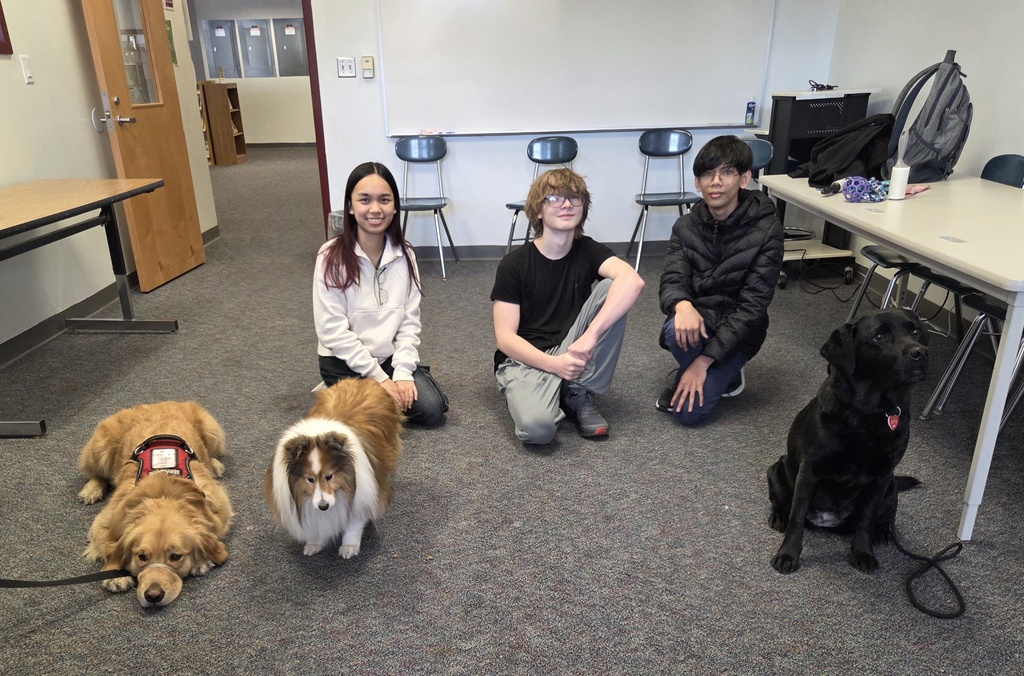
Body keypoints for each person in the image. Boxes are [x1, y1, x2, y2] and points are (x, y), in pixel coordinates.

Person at [491, 168, 645, 445]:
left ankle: (576, 388)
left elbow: (633, 281)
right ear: (538, 211)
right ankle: (557, 384)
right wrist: (555, 365)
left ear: (583, 209)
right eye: (554, 198)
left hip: (572, 345)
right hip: (526, 358)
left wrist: (590, 337)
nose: (566, 205)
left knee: (616, 286)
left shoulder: (588, 250)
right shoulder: (513, 264)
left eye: (575, 199)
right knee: (538, 431)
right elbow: (505, 338)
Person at [657, 135, 784, 425]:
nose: (716, 181)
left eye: (727, 172)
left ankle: (714, 369)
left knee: (687, 415)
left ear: (745, 178)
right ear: (697, 183)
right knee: (673, 329)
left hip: (741, 330)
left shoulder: (767, 230)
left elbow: (753, 306)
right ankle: (716, 371)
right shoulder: (685, 226)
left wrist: (701, 363)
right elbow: (673, 277)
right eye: (707, 174)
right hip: (701, 318)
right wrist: (683, 306)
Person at [313, 161, 448, 426]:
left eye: (384, 200)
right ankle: (346, 394)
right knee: (358, 421)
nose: (375, 209)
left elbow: (410, 322)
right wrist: (380, 379)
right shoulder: (330, 256)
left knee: (433, 410)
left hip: (388, 358)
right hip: (345, 363)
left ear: (394, 206)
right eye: (365, 200)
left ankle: (370, 397)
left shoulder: (405, 254)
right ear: (351, 207)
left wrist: (402, 373)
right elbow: (331, 330)